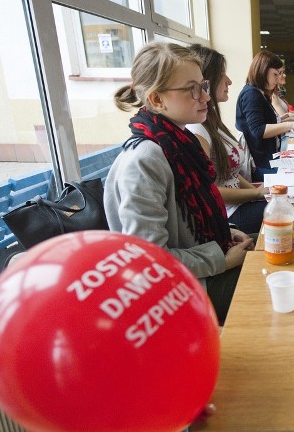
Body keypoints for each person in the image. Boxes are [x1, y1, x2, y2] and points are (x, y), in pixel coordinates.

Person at [106, 42, 254, 324]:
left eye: (204, 85)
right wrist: (220, 259)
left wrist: (227, 232)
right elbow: (150, 259)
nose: (205, 97)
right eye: (192, 89)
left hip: (203, 265)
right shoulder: (145, 159)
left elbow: (193, 221)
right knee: (278, 275)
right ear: (158, 100)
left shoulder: (180, 142)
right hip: (181, 290)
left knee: (281, 246)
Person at [186, 44, 266, 234]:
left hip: (238, 206)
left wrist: (259, 193)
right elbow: (209, 191)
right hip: (228, 216)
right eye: (223, 75)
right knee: (293, 212)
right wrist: (256, 193)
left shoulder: (211, 119)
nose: (229, 81)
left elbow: (228, 172)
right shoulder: (196, 130)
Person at [236, 50, 294, 181]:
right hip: (260, 164)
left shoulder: (259, 92)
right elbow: (258, 130)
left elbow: (267, 120)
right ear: (262, 70)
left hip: (267, 157)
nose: (278, 80)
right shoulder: (251, 94)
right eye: (275, 74)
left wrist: (288, 118)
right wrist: (290, 124)